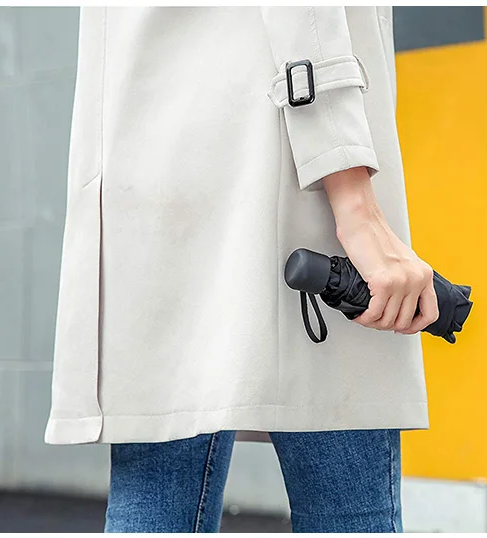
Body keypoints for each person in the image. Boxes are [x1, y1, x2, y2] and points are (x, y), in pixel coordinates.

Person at [45, 6, 437, 533]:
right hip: (294, 179)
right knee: (347, 506)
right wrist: (354, 201)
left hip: (145, 192)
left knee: (157, 501)